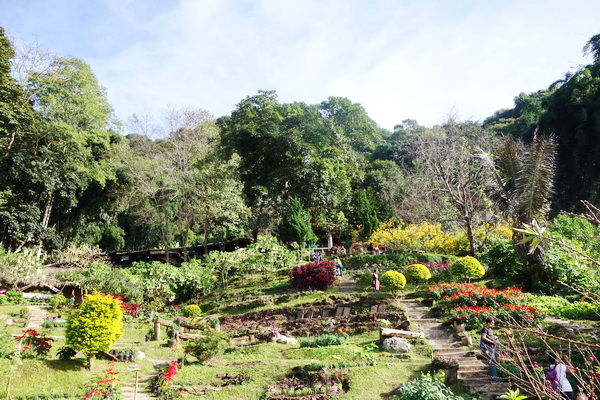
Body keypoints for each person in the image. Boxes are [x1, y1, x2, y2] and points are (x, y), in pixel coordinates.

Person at [480, 317, 499, 381]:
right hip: (488, 347)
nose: (493, 324)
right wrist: (492, 342)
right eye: (492, 323)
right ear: (488, 323)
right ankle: (493, 379)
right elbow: (483, 338)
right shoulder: (485, 329)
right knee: (491, 362)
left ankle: (495, 377)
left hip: (492, 347)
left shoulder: (490, 330)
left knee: (495, 361)